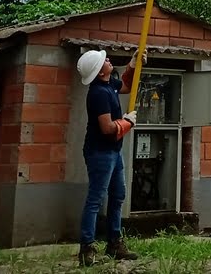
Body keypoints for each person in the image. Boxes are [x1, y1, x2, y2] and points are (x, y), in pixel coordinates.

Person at [76, 47, 142, 266]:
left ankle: (114, 243)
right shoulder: (98, 93)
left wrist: (133, 63)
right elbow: (106, 128)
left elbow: (127, 86)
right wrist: (127, 122)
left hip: (114, 150)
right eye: (104, 61)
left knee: (118, 195)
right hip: (100, 152)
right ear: (99, 71)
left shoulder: (109, 85)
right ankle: (87, 248)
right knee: (96, 199)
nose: (108, 60)